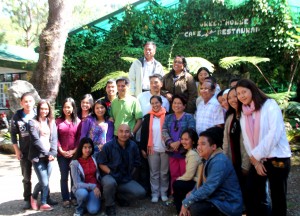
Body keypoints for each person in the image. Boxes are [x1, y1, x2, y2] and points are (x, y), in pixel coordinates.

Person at [236, 79, 291, 216]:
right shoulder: (244, 112)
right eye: (238, 93)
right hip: (259, 159)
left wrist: (256, 156)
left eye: (244, 92)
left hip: (278, 157)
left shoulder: (269, 105)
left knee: (278, 196)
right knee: (251, 191)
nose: (241, 96)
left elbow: (275, 132)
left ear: (252, 90)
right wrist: (255, 161)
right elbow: (247, 140)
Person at [180, 127, 243, 216]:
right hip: (217, 198)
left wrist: (186, 202)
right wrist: (190, 196)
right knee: (189, 197)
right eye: (198, 144)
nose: (198, 147)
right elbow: (200, 184)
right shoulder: (208, 158)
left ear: (213, 146)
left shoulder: (219, 161)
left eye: (203, 144)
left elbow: (208, 188)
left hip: (228, 204)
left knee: (196, 208)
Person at [96, 124, 146, 216]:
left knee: (141, 193)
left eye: (127, 131)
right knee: (110, 183)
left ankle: (118, 196)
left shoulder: (133, 146)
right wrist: (111, 173)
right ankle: (109, 205)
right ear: (117, 132)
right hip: (109, 175)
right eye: (121, 131)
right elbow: (101, 163)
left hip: (125, 177)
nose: (124, 134)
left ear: (130, 133)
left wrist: (130, 175)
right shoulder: (108, 146)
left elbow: (137, 163)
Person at [222, 87, 250, 211]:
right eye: (229, 98)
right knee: (236, 192)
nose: (232, 100)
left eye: (235, 96)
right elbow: (226, 143)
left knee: (251, 194)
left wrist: (245, 165)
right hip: (233, 163)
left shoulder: (248, 115)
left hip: (248, 163)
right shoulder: (230, 117)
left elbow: (248, 144)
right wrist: (225, 162)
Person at [162, 94, 196, 192]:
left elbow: (191, 131)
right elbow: (164, 131)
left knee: (185, 175)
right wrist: (170, 142)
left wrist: (179, 142)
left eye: (180, 103)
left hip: (184, 151)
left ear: (184, 106)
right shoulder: (168, 117)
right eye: (175, 103)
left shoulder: (189, 117)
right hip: (172, 151)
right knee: (174, 174)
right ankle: (174, 195)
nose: (177, 105)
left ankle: (185, 196)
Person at [28, 99, 58, 211]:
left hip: (50, 157)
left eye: (46, 109)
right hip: (38, 156)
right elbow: (35, 140)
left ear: (49, 109)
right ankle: (43, 202)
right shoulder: (32, 122)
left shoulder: (51, 122)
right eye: (42, 108)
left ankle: (37, 197)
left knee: (44, 180)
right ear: (38, 109)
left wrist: (53, 153)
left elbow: (54, 139)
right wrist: (47, 153)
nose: (44, 111)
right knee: (44, 181)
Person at [140, 95, 169, 203]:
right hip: (152, 149)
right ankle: (155, 193)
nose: (155, 105)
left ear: (161, 103)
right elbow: (144, 134)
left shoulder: (168, 115)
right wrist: (143, 148)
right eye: (152, 103)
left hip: (165, 149)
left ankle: (164, 193)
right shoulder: (148, 117)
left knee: (164, 173)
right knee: (154, 173)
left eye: (157, 102)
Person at [10, 92, 36, 209]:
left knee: (43, 176)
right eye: (25, 101)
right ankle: (27, 198)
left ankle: (45, 197)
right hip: (25, 152)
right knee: (26, 178)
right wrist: (17, 150)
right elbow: (13, 134)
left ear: (34, 102)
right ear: (21, 103)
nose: (28, 103)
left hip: (38, 151)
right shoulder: (17, 116)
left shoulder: (38, 114)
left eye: (30, 101)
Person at [56, 98, 81, 208]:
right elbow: (54, 138)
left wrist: (75, 150)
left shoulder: (78, 122)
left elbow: (79, 137)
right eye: (65, 107)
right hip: (61, 154)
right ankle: (65, 198)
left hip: (74, 154)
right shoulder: (58, 121)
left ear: (73, 108)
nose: (67, 109)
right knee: (64, 176)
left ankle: (74, 197)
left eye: (69, 107)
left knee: (74, 176)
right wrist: (60, 150)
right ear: (63, 108)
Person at [70, 137, 101, 216]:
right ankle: (79, 209)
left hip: (94, 188)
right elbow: (77, 184)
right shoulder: (75, 163)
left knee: (93, 210)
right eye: (85, 147)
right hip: (82, 188)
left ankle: (88, 202)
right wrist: (93, 186)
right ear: (81, 148)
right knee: (83, 194)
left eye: (90, 147)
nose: (88, 150)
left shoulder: (94, 157)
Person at [173, 128, 200, 214]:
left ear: (193, 141)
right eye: (182, 139)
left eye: (186, 139)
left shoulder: (192, 154)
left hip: (198, 182)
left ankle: (180, 210)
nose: (183, 141)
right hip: (197, 180)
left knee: (177, 184)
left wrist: (178, 179)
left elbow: (189, 175)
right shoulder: (192, 151)